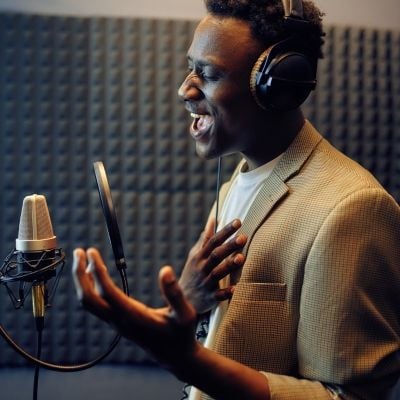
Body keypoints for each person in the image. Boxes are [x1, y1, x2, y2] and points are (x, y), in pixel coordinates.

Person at [72, 0, 400, 399]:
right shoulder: (235, 182)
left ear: (279, 84)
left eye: (207, 74)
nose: (184, 88)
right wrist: (190, 307)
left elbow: (348, 396)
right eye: (191, 67)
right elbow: (228, 338)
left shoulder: (353, 207)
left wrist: (186, 359)